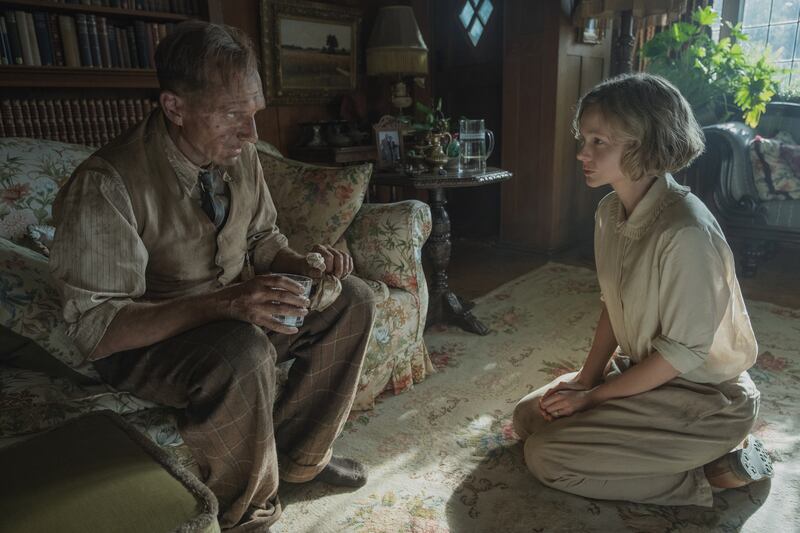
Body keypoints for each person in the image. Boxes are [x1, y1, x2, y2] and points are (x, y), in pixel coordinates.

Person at [50, 21, 376, 532]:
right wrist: (225, 305)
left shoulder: (239, 153)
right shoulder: (105, 185)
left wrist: (306, 266)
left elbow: (263, 240)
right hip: (147, 343)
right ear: (174, 107)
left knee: (352, 300)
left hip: (232, 313)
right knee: (241, 350)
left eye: (254, 114)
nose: (251, 134)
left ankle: (298, 460)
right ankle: (248, 516)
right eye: (232, 115)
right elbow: (99, 329)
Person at [512, 73, 774, 507]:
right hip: (645, 371)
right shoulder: (609, 212)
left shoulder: (686, 232)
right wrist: (586, 377)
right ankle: (644, 448)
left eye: (599, 141)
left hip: (703, 397)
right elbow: (612, 305)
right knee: (528, 418)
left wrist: (593, 399)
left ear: (643, 145)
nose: (582, 153)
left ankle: (709, 474)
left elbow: (682, 353)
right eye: (584, 138)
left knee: (547, 458)